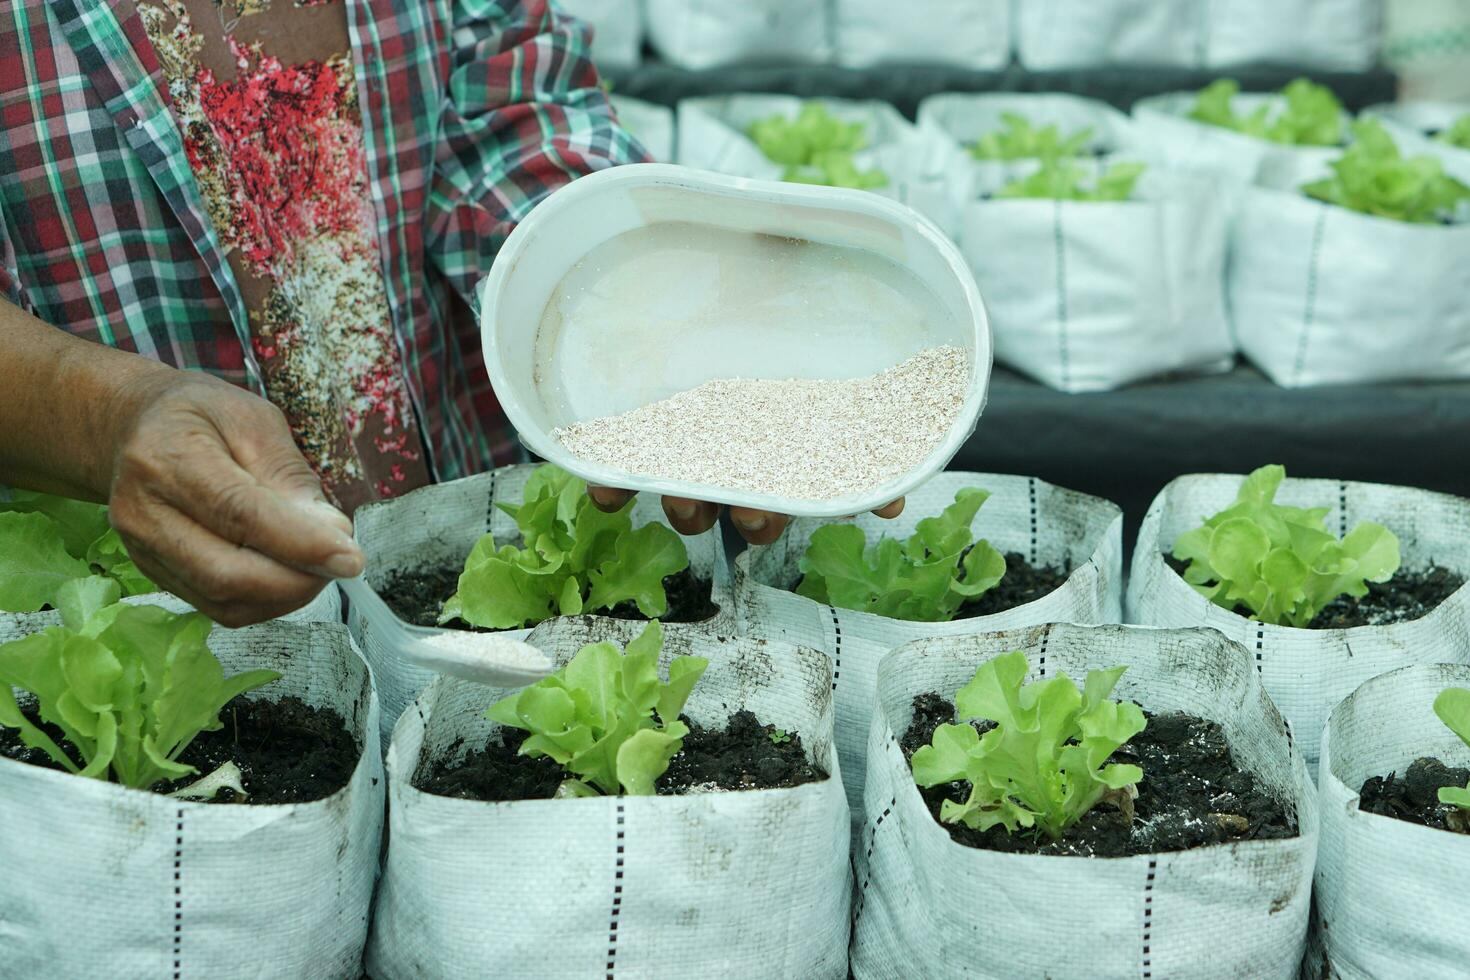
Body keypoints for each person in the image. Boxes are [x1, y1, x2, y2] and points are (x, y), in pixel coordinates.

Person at [0, 0, 901, 627]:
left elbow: (512, 106)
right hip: (127, 597)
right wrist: (112, 417)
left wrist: (652, 311)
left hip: (464, 562)